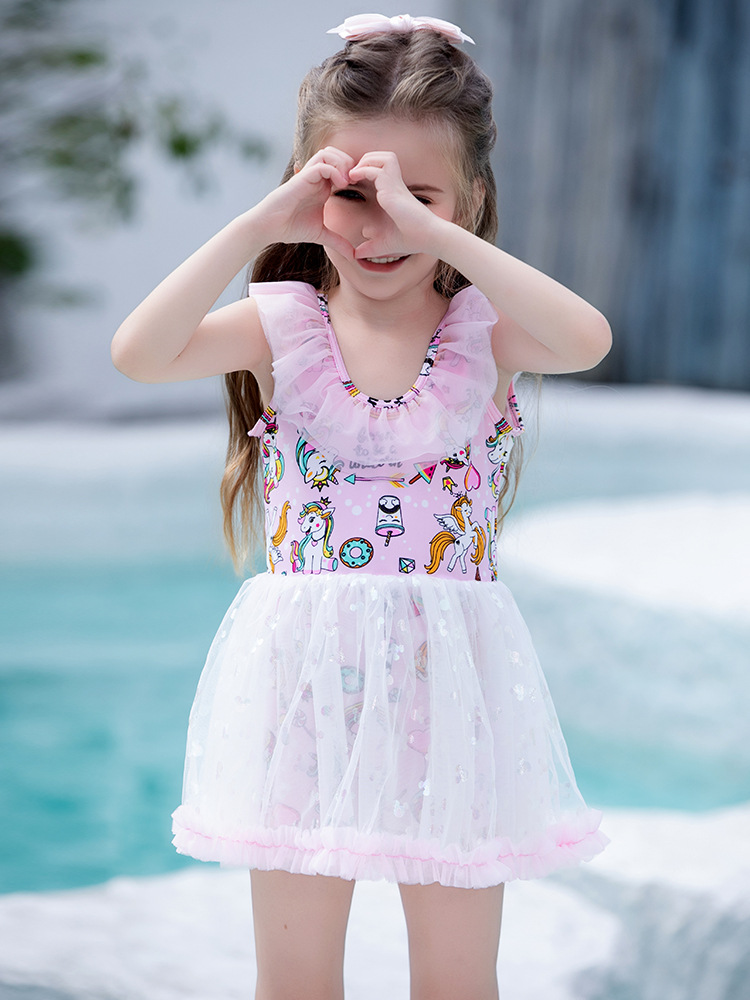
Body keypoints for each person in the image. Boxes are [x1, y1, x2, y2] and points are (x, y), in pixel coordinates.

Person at [112, 13, 611, 1000]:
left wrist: (440, 235)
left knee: (458, 979)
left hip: (452, 693)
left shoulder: (484, 331)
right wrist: (256, 226)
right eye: (352, 195)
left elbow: (587, 338)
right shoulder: (281, 325)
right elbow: (139, 353)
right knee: (295, 978)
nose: (380, 227)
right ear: (309, 192)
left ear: (469, 199)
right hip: (302, 692)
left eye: (415, 197)